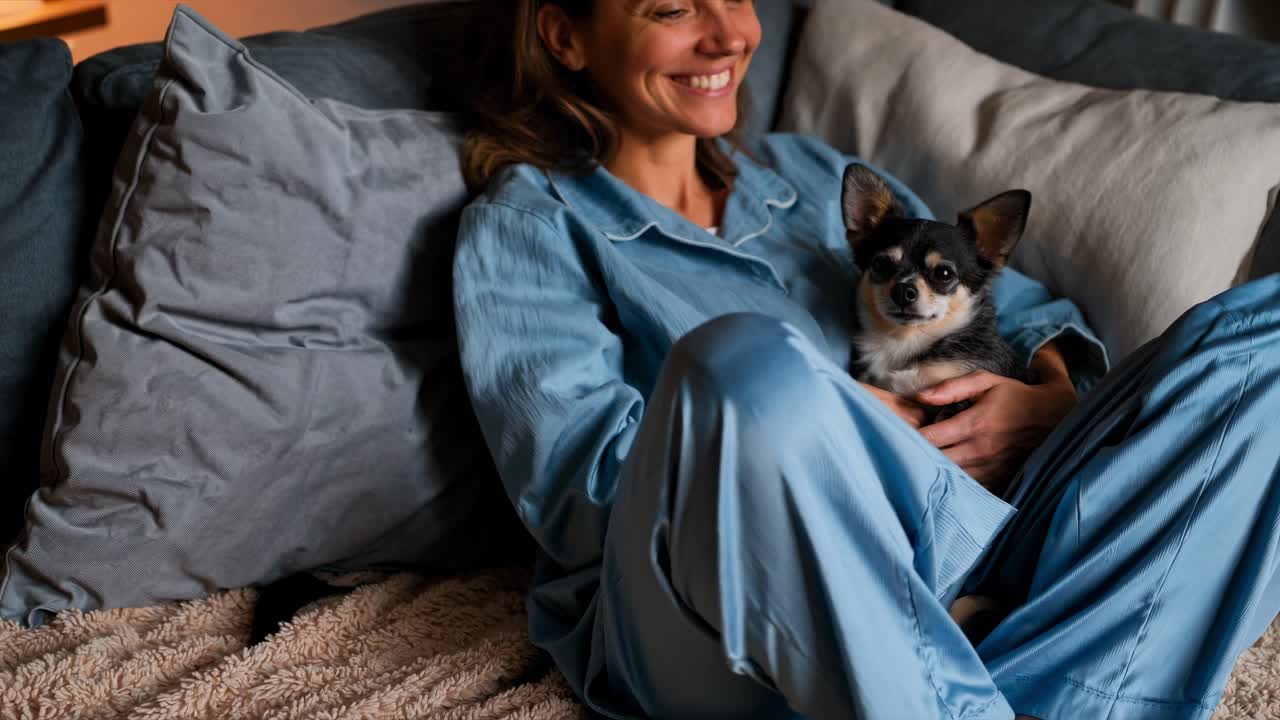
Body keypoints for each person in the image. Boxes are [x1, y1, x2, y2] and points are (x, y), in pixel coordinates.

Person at [449, 1, 1280, 718]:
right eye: (672, 10)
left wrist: (1049, 400)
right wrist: (839, 425)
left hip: (971, 521)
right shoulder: (529, 225)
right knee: (741, 366)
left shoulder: (809, 172)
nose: (728, 35)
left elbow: (1022, 310)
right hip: (706, 604)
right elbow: (578, 495)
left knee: (1259, 344)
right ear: (565, 35)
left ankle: (1021, 686)